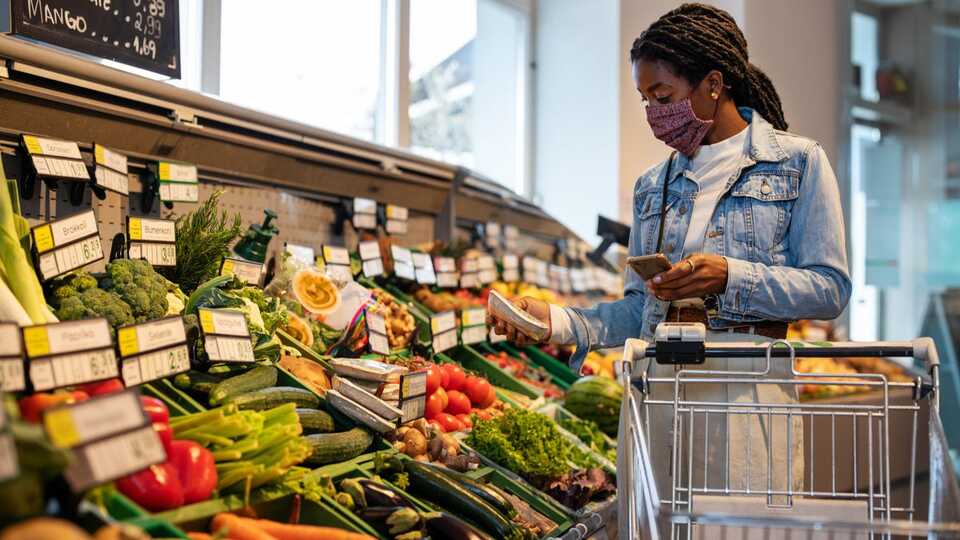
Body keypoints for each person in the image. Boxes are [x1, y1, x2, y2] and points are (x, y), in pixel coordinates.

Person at [490, 3, 851, 502]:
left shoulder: (798, 163)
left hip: (747, 400)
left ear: (714, 83)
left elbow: (830, 289)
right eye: (644, 101)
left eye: (663, 96)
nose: (654, 114)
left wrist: (729, 275)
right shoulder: (653, 187)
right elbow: (642, 307)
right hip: (658, 396)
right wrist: (556, 320)